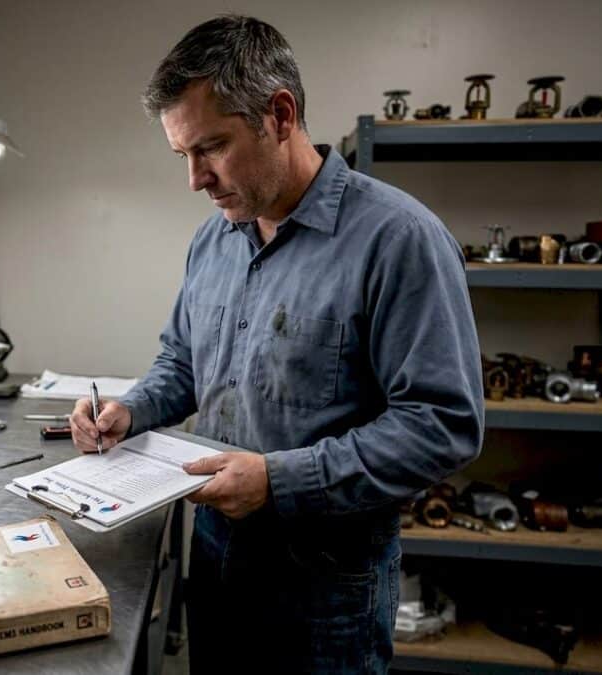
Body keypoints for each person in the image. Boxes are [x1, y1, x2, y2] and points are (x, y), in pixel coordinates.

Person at [69, 14, 484, 674]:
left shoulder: (399, 240)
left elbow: (443, 425)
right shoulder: (213, 239)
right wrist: (132, 408)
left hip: (324, 591)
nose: (195, 179)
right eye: (183, 156)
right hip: (217, 560)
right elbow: (182, 360)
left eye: (211, 147)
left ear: (281, 115)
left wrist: (279, 480)